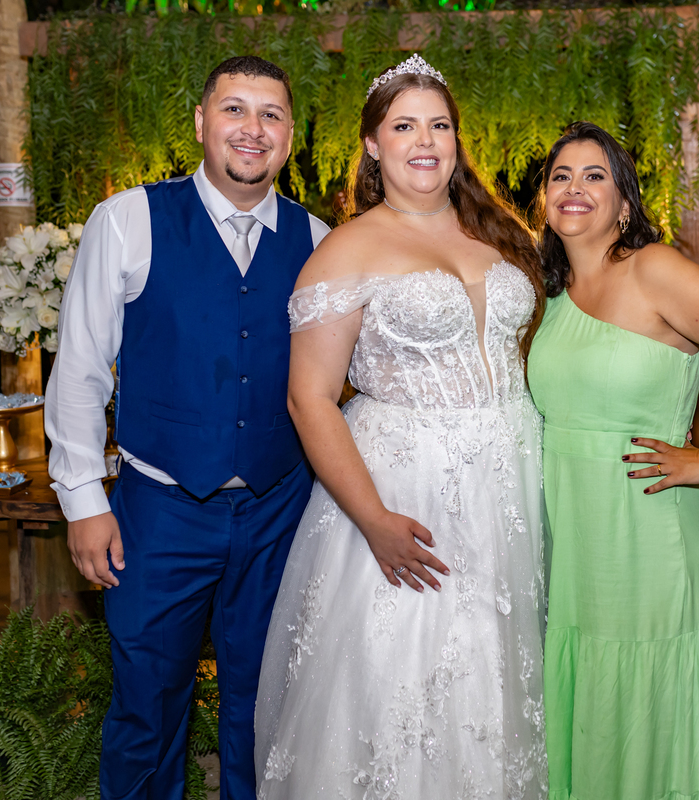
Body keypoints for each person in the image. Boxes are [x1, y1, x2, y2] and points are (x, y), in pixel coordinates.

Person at [253, 55, 548, 799]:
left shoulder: (499, 236)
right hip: (402, 491)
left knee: (495, 678)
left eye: (439, 125)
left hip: (508, 489)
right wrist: (374, 520)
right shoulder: (347, 248)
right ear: (373, 145)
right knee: (403, 680)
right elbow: (310, 399)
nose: (425, 141)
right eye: (405, 126)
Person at [45, 56, 330, 799]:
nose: (252, 128)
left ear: (289, 136)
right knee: (148, 706)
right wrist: (84, 499)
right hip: (159, 509)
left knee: (267, 709)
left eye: (271, 114)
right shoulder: (129, 220)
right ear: (202, 123)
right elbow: (80, 367)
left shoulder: (318, 239)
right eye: (235, 109)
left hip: (280, 508)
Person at [526, 121, 699, 800]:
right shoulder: (548, 294)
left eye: (595, 176)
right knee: (585, 693)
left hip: (646, 530)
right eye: (561, 175)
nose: (574, 188)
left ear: (625, 204)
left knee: (643, 697)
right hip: (574, 535)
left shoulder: (653, 270)